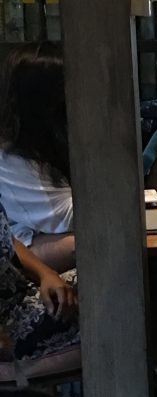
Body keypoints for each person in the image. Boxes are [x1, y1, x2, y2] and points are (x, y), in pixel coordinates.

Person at [0, 41, 75, 272]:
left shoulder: (38, 144)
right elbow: (60, 217)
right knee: (99, 240)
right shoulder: (9, 157)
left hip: (40, 235)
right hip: (21, 250)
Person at [0, 200, 77, 367]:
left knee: (101, 275)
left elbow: (7, 239)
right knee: (107, 293)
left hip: (24, 292)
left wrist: (46, 274)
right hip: (9, 330)